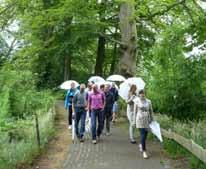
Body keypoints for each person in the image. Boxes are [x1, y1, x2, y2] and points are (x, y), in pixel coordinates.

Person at [134, 89, 154, 159]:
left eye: (143, 93)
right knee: (142, 134)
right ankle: (144, 151)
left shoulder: (149, 101)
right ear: (139, 94)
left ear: (145, 94)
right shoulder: (136, 101)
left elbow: (151, 111)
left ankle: (141, 144)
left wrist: (152, 120)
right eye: (141, 93)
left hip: (147, 120)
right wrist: (134, 122)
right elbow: (135, 112)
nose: (142, 95)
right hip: (139, 120)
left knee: (145, 135)